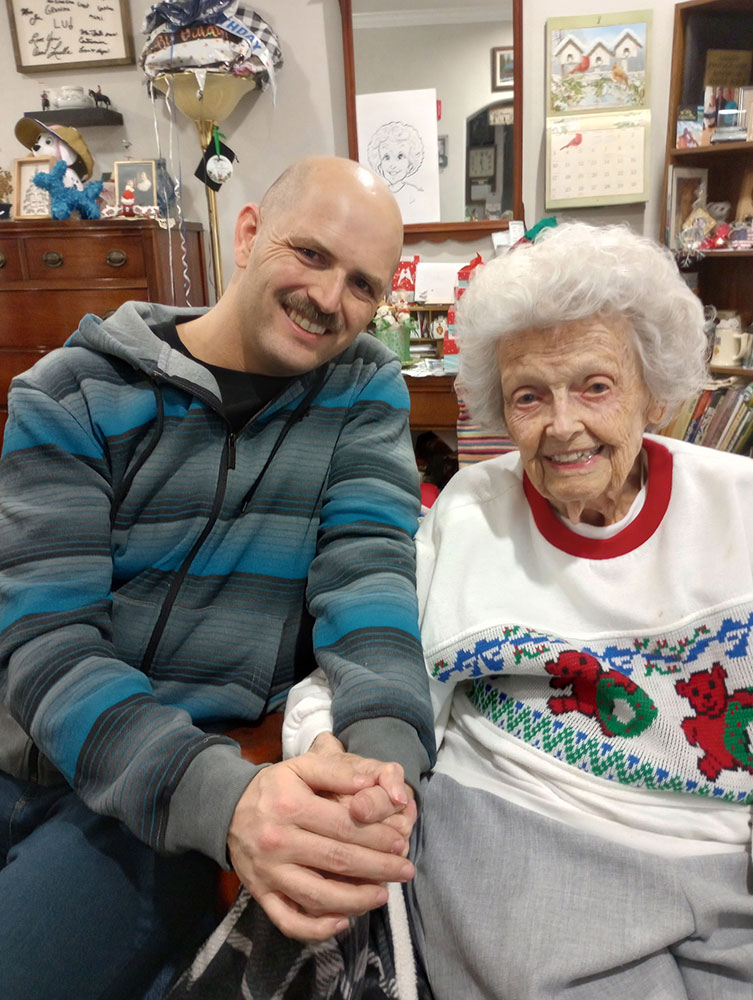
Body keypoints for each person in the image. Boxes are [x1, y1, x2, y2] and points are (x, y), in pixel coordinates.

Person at [203, 221, 753, 1000]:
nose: (561, 425)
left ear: (654, 392)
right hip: (525, 846)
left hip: (722, 861)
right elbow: (378, 660)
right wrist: (328, 750)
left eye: (595, 386)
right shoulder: (471, 512)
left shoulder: (737, 507)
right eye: (529, 396)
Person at [0, 155, 436, 1000]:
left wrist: (388, 779)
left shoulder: (361, 388)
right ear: (245, 234)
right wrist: (233, 807)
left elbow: (370, 583)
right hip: (43, 750)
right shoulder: (70, 392)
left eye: (362, 285)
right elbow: (48, 647)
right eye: (308, 254)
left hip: (170, 795)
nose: (328, 298)